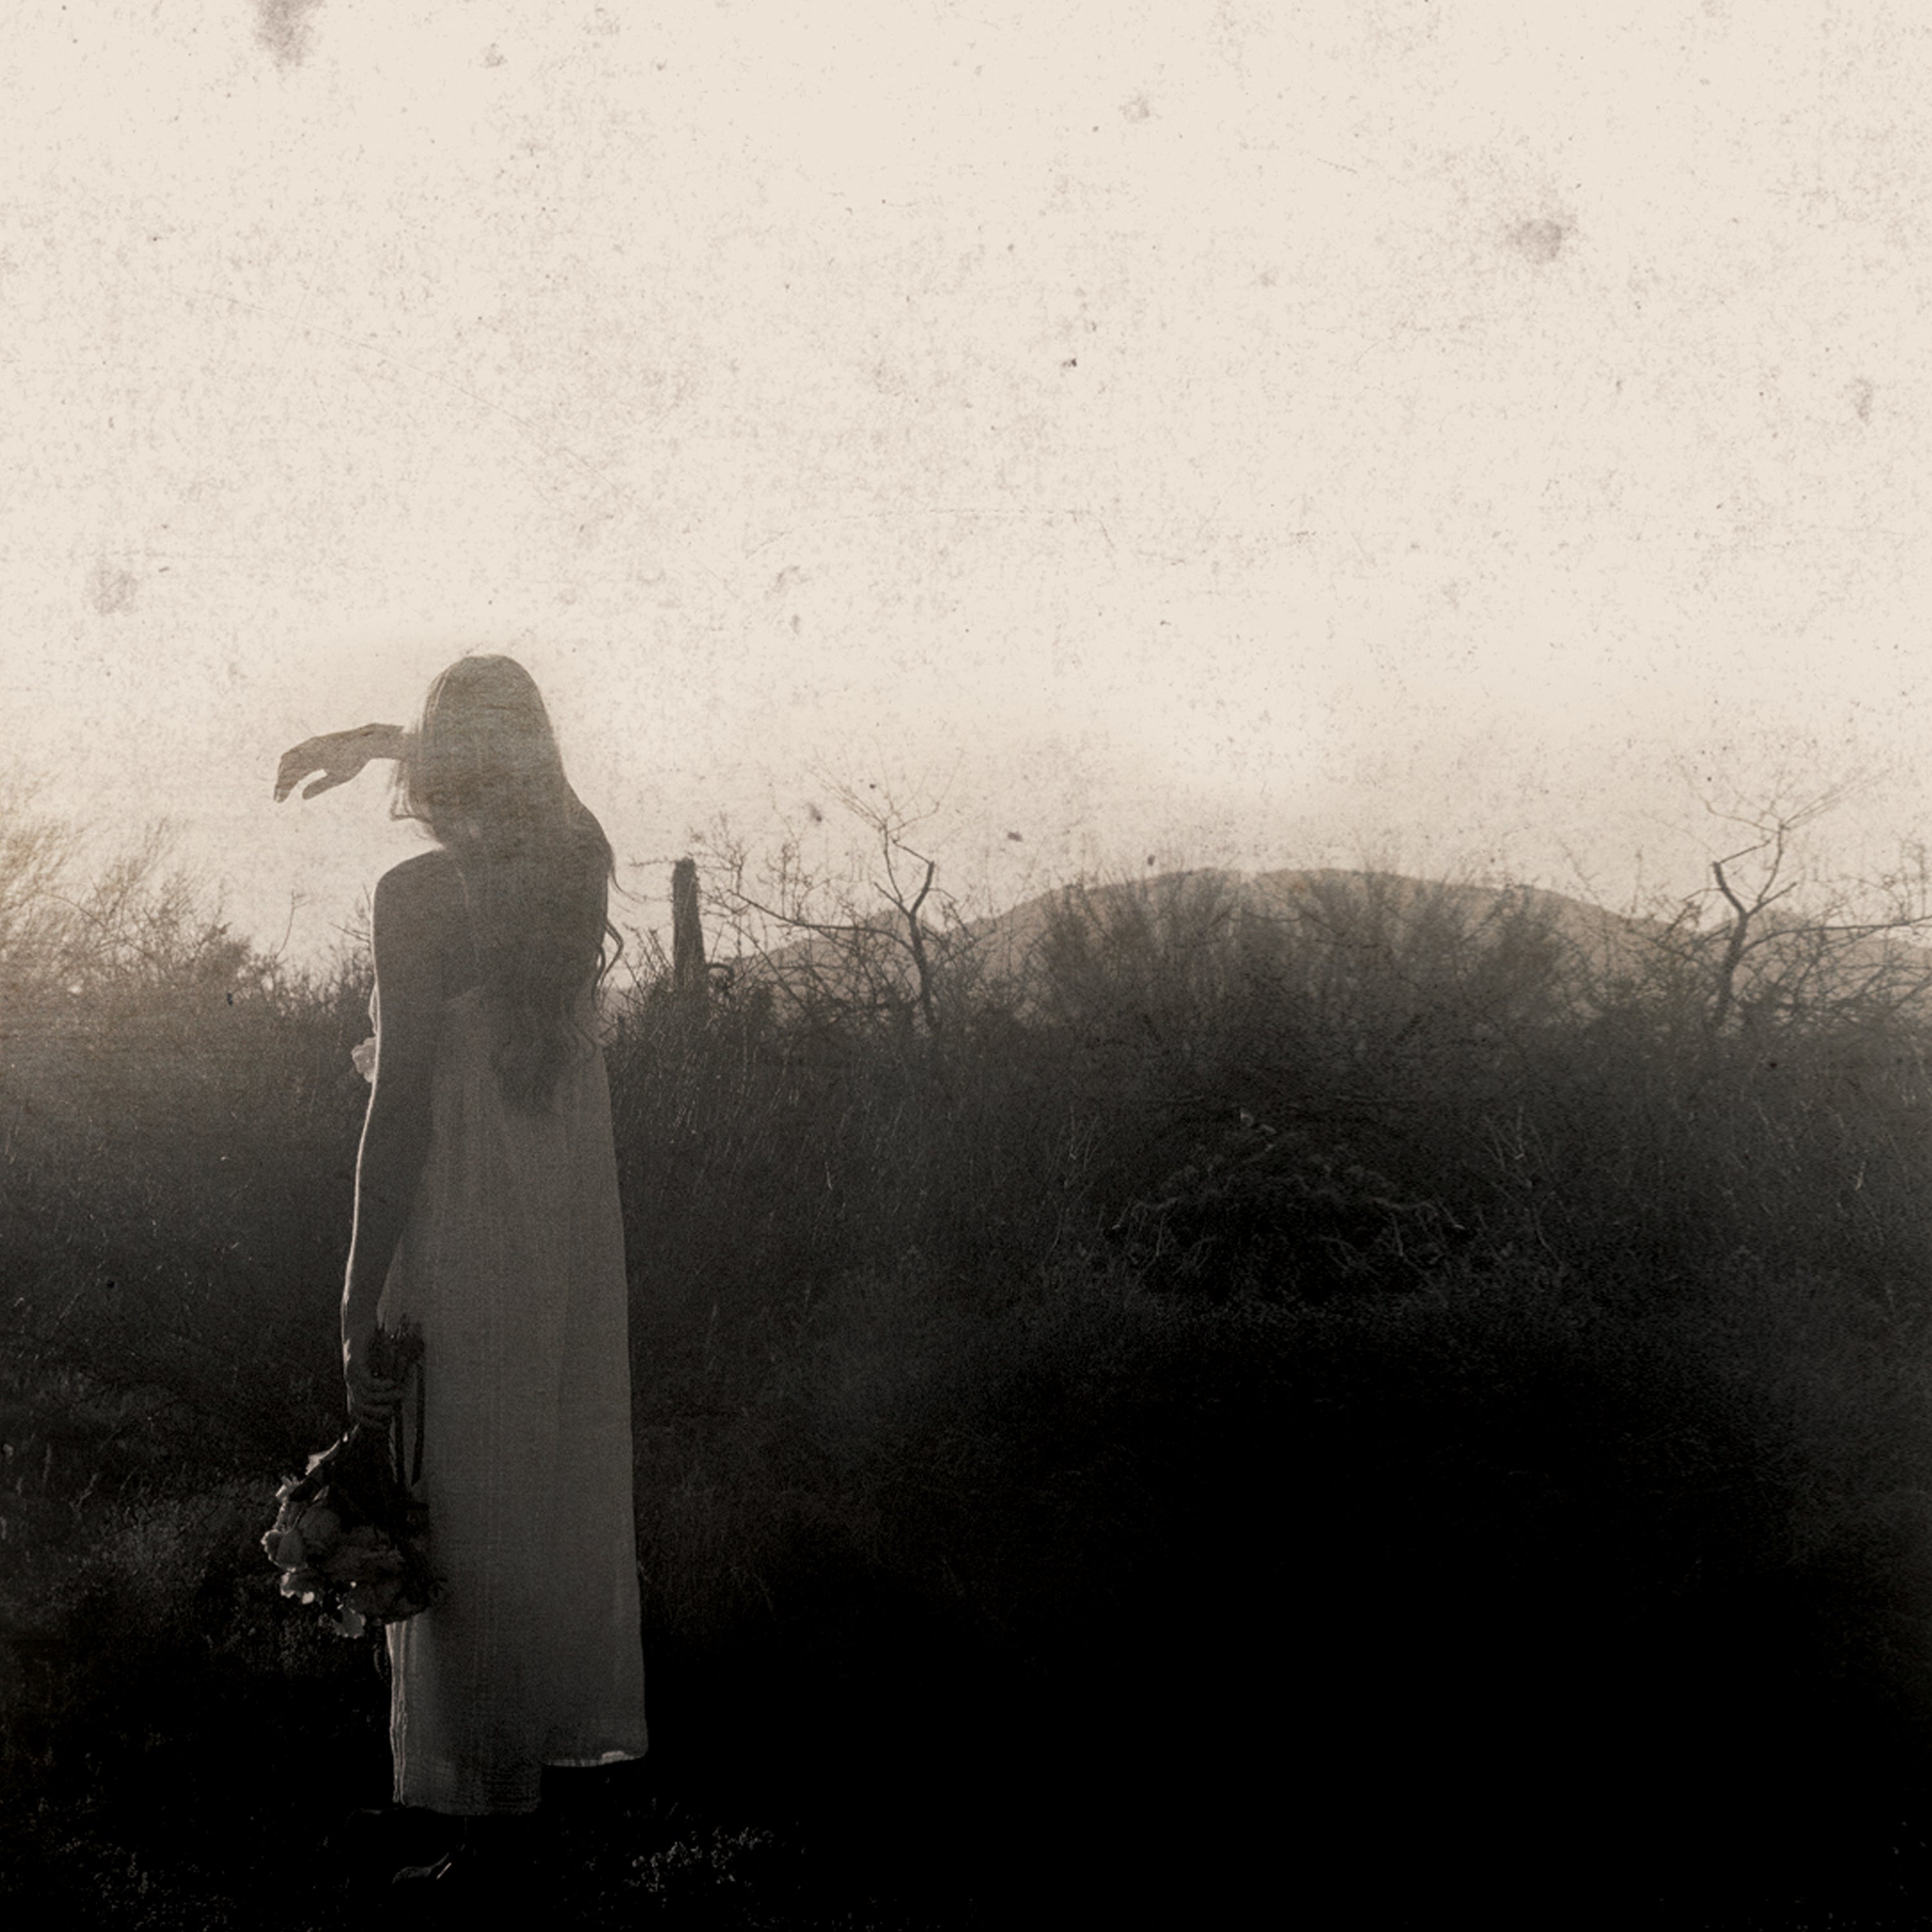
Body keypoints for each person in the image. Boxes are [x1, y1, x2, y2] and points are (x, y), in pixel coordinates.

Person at [277, 656, 648, 1891]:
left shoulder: (419, 893)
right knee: (528, 1481)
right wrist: (390, 735)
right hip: (564, 1228)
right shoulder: (576, 862)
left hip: (461, 1210)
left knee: (452, 1477)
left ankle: (483, 1822)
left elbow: (395, 1119)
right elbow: (535, 794)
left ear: (443, 765)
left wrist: (352, 1295)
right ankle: (497, 1800)